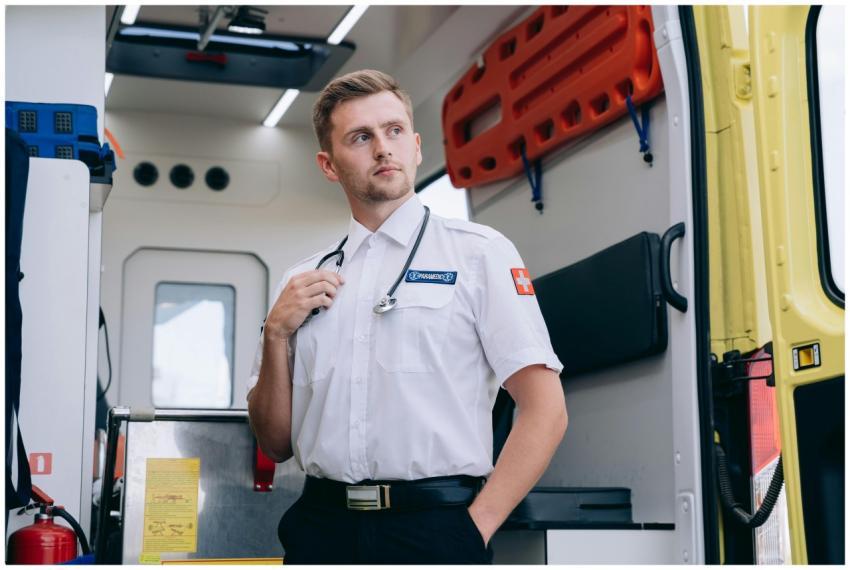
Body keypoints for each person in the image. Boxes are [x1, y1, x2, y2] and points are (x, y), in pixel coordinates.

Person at [246, 69, 567, 565]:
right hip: (321, 528)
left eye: (394, 131)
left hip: (435, 529)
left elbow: (545, 410)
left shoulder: (479, 255)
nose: (383, 148)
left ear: (416, 147)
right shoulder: (302, 281)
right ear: (328, 166)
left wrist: (474, 529)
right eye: (361, 137)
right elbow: (275, 441)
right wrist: (274, 334)